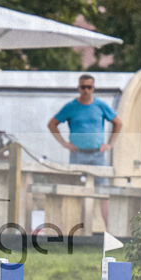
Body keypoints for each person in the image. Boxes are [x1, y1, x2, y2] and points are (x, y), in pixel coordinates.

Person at [47, 74, 123, 229]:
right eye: (83, 87)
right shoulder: (71, 107)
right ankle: (76, 228)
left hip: (98, 155)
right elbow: (52, 124)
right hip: (78, 154)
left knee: (104, 192)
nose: (86, 90)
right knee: (77, 191)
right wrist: (64, 143)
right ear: (79, 88)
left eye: (89, 87)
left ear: (93, 88)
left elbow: (118, 123)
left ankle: (109, 229)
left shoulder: (101, 105)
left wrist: (109, 144)